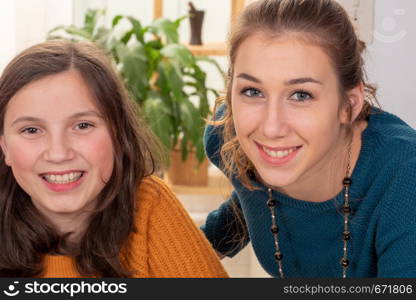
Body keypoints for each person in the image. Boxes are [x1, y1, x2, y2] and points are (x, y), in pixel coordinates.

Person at [202, 0, 416, 278]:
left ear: (348, 104)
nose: (271, 127)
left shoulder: (404, 180)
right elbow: (250, 199)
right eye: (253, 91)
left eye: (301, 95)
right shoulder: (226, 136)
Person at [0, 40, 228, 278]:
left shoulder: (148, 205)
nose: (58, 154)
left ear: (117, 134)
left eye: (82, 125)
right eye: (31, 130)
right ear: (4, 146)